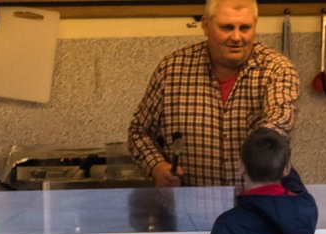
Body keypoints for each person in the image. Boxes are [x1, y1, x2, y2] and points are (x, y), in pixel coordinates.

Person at [128, 0, 299, 188]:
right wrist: (157, 167)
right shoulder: (172, 70)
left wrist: (264, 141)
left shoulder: (277, 69)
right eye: (226, 27)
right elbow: (139, 132)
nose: (236, 37)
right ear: (205, 25)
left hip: (254, 207)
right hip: (189, 207)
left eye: (245, 28)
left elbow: (280, 120)